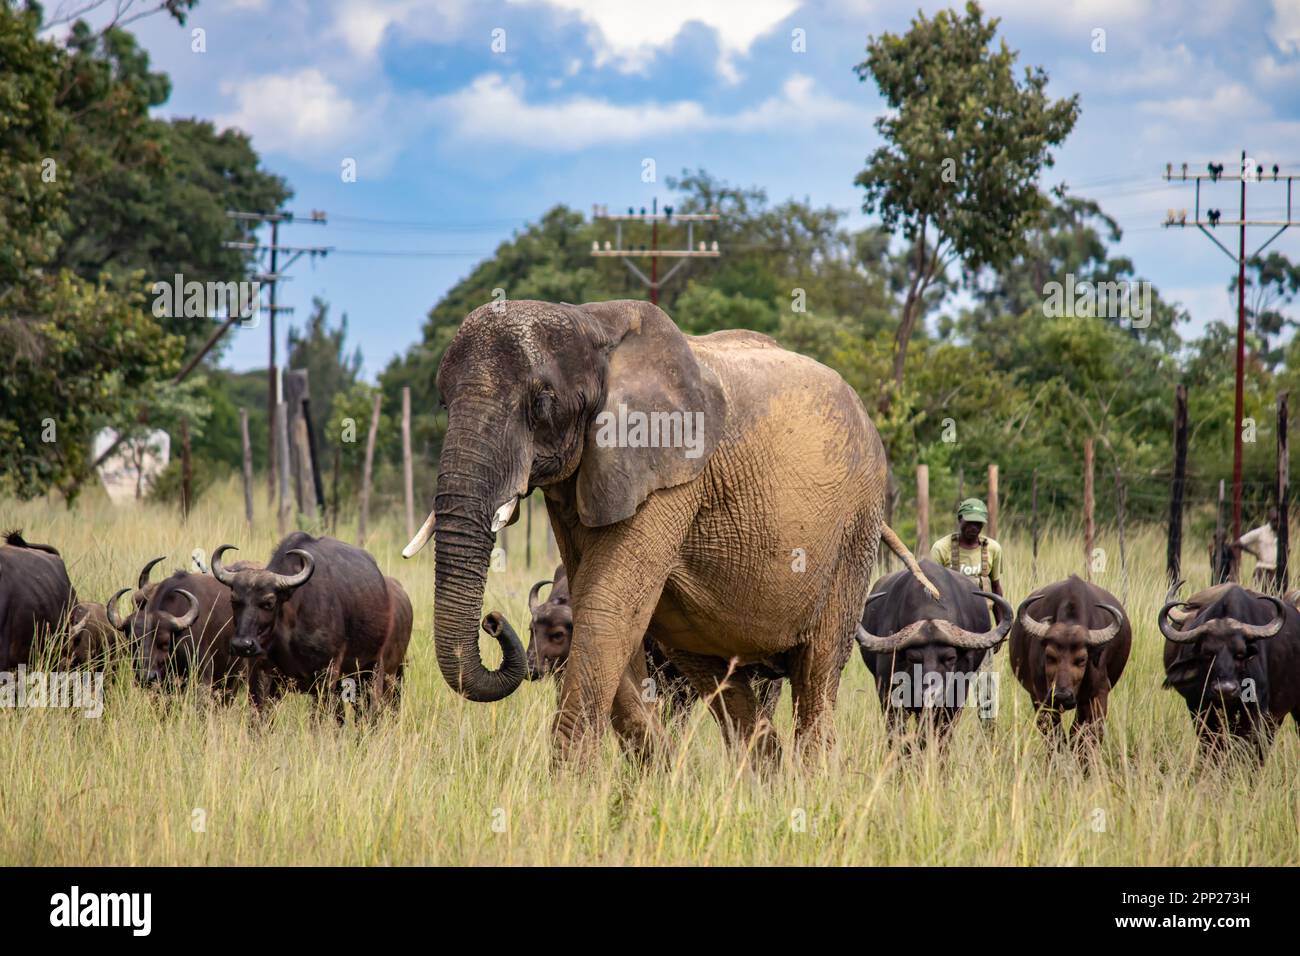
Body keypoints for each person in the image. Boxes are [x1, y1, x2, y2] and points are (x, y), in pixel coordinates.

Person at [931, 497, 1004, 601]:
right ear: (960, 519)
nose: (973, 527)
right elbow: (932, 588)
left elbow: (996, 587)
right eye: (969, 522)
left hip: (982, 613)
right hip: (951, 613)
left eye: (978, 523)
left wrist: (1002, 617)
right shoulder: (941, 548)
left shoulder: (993, 548)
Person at [1234, 508, 1280, 592]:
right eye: (1274, 520)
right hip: (1262, 571)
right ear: (1269, 520)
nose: (1276, 523)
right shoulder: (1261, 532)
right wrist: (1254, 553)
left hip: (1276, 572)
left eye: (1278, 520)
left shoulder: (1281, 533)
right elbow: (1238, 543)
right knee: (1261, 599)